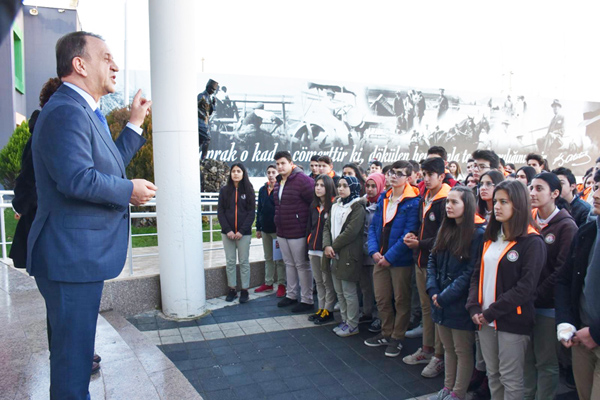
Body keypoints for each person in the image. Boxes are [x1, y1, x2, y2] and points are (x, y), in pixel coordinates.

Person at [28, 31, 154, 399]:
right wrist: (129, 190)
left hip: (76, 258)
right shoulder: (66, 110)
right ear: (79, 64)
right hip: (70, 258)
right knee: (72, 363)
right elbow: (76, 179)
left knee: (75, 357)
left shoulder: (85, 110)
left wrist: (133, 124)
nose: (115, 65)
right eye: (106, 57)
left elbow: (107, 166)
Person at [466, 180, 546, 400]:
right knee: (493, 375)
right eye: (496, 201)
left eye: (504, 202)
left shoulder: (532, 241)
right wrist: (474, 306)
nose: (497, 206)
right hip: (484, 320)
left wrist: (490, 312)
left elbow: (526, 288)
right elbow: (477, 274)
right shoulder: (491, 236)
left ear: (518, 205)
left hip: (511, 321)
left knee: (511, 380)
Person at [427, 186, 486, 400]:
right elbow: (432, 258)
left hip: (458, 302)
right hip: (440, 298)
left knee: (462, 350)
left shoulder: (478, 232)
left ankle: (458, 393)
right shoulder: (446, 226)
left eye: (454, 202)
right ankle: (447, 387)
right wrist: (433, 289)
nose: (449, 206)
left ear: (467, 205)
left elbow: (470, 272)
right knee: (448, 348)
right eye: (448, 202)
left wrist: (445, 296)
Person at [523, 173, 577, 399]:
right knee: (527, 359)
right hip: (526, 303)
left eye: (539, 188)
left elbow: (561, 272)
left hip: (548, 306)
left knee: (546, 362)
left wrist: (534, 294)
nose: (532, 193)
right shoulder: (529, 221)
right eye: (531, 188)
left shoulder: (566, 226)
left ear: (555, 194)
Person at [364, 161, 420, 357]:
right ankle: (386, 333)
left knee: (401, 300)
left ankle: (397, 337)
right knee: (381, 298)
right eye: (391, 173)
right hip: (380, 258)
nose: (393, 176)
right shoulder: (384, 197)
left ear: (409, 177)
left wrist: (389, 256)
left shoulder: (414, 201)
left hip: (399, 261)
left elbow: (409, 233)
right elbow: (373, 227)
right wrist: (373, 252)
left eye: (399, 173)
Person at [555, 170, 600, 400]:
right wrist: (565, 322)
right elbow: (564, 280)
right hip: (581, 337)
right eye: (597, 186)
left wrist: (596, 333)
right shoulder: (587, 231)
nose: (597, 193)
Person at [403, 157, 450, 378]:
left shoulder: (446, 200)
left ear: (442, 176)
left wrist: (419, 243)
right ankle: (427, 349)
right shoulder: (425, 197)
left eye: (431, 174)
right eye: (424, 173)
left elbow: (445, 237)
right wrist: (414, 237)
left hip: (438, 264)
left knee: (437, 309)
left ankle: (439, 356)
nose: (426, 178)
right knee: (426, 309)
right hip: (421, 260)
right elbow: (424, 229)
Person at [10, 77, 62, 270]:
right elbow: (29, 175)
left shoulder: (43, 129)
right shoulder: (44, 133)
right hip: (43, 219)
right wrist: (20, 205)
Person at [273, 151, 315, 312]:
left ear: (291, 163)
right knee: (289, 264)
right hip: (282, 230)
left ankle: (307, 299)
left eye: (283, 163)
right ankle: (291, 295)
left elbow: (314, 202)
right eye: (277, 164)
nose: (280, 166)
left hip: (298, 231)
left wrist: (307, 225)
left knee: (302, 265)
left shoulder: (303, 180)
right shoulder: (279, 182)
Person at [324, 176, 366, 337]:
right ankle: (345, 321)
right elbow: (327, 227)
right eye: (339, 185)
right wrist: (327, 246)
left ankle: (353, 324)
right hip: (334, 253)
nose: (340, 188)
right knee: (339, 291)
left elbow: (351, 232)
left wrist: (332, 247)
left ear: (353, 188)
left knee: (348, 291)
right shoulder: (336, 204)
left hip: (348, 255)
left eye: (345, 186)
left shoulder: (357, 207)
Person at [218, 163, 255, 303]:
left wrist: (241, 231)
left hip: (243, 234)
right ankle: (232, 289)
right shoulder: (225, 190)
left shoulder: (249, 190)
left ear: (243, 173)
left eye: (238, 171)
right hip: (227, 234)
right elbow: (220, 212)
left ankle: (245, 290)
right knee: (230, 261)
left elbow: (251, 213)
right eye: (233, 171)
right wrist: (228, 230)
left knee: (244, 261)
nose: (236, 173)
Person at [306, 174, 337, 324]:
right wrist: (308, 242)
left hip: (325, 250)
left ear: (329, 187)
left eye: (322, 185)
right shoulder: (314, 205)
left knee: (327, 281)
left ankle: (328, 310)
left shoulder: (334, 206)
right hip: (313, 248)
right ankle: (321, 308)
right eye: (317, 185)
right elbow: (309, 227)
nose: (318, 188)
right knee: (318, 282)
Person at [255, 165, 286, 296]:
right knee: (268, 257)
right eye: (269, 172)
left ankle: (281, 284)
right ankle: (268, 283)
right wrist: (258, 227)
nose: (271, 175)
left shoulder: (281, 189)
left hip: (277, 230)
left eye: (273, 172)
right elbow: (260, 209)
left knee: (279, 259)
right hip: (265, 229)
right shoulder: (262, 190)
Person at [361, 173, 386, 330]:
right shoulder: (362, 203)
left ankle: (379, 317)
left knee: (379, 290)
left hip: (375, 252)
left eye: (373, 186)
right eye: (368, 186)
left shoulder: (381, 205)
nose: (370, 189)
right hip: (363, 251)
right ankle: (367, 312)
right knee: (366, 286)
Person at [198, 78, 218, 160]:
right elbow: (194, 107)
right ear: (208, 87)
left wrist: (213, 105)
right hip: (200, 121)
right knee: (207, 137)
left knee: (201, 141)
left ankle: (198, 158)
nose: (213, 91)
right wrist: (201, 115)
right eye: (212, 89)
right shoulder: (201, 96)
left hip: (205, 121)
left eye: (214, 90)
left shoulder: (209, 98)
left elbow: (209, 113)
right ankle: (203, 158)